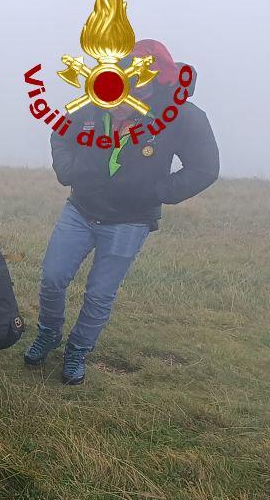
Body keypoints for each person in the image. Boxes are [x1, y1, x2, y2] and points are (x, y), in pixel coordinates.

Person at [25, 39, 219, 384]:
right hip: (81, 210)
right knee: (52, 278)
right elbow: (61, 133)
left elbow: (204, 168)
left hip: (130, 221)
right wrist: (68, 170)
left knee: (99, 294)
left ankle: (78, 350)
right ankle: (49, 333)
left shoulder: (180, 116)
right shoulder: (94, 103)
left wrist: (157, 192)